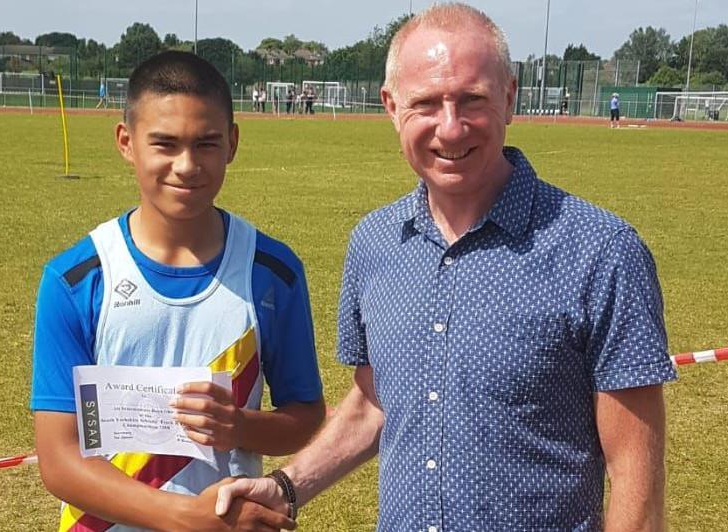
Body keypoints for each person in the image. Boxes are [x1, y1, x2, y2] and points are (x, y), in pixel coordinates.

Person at [215, 4, 675, 531]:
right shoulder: (374, 243)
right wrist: (287, 487)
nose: (451, 128)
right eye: (426, 103)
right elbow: (375, 403)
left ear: (509, 96)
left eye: (472, 99)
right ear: (391, 106)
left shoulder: (601, 251)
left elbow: (635, 472)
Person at [31, 50, 325, 532]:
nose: (186, 166)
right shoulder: (76, 279)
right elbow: (60, 460)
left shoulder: (272, 272)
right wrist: (187, 518)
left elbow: (305, 415)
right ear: (126, 142)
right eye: (164, 144)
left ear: (231, 142)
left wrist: (242, 427)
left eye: (206, 144)